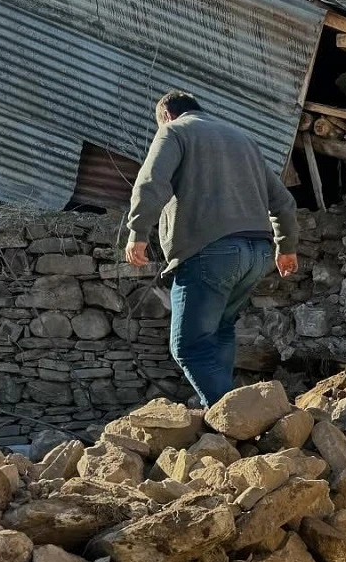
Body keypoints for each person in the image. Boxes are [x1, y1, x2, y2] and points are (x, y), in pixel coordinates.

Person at [125, 91, 299, 408]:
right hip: (257, 253)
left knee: (187, 345)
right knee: (220, 331)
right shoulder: (243, 139)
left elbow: (152, 181)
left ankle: (235, 416)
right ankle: (232, 418)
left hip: (211, 252)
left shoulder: (174, 131)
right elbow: (284, 201)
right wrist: (286, 247)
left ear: (166, 115)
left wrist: (137, 231)